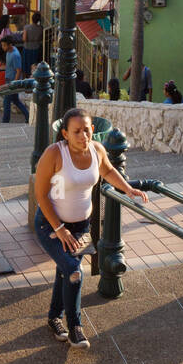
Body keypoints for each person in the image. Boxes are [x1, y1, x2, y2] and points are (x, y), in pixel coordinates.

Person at [33, 108, 149, 347]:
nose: (83, 136)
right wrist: (60, 228)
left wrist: (128, 189)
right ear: (65, 133)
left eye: (86, 130)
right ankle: (76, 327)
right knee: (74, 272)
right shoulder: (54, 154)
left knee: (65, 270)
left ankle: (54, 318)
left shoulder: (97, 150)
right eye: (76, 131)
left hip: (80, 226)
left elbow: (107, 170)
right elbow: (41, 195)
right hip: (51, 225)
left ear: (92, 130)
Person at [1, 39, 28, 123]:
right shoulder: (9, 51)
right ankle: (28, 116)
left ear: (10, 45)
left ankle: (5, 122)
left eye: (4, 45)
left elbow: (18, 70)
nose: (3, 47)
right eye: (2, 45)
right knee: (15, 101)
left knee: (6, 102)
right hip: (8, 79)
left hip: (12, 81)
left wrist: (14, 83)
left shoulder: (15, 55)